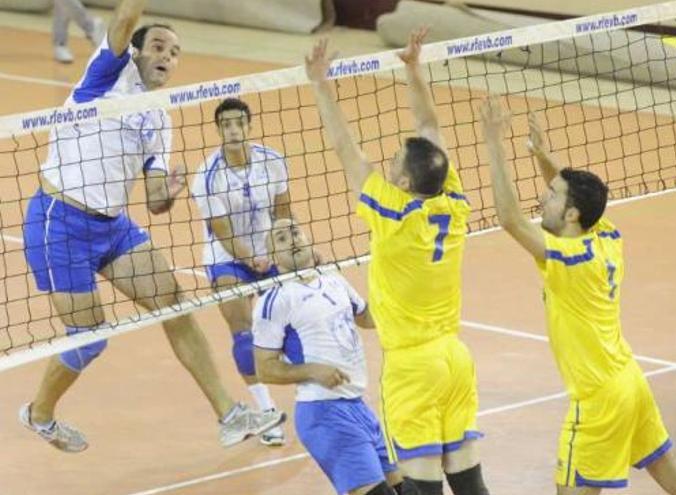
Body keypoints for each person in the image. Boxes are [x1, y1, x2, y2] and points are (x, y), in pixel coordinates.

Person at [19, 0, 284, 453]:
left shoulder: (160, 116)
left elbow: (155, 200)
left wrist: (172, 189)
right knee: (90, 341)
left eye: (176, 51)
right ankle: (39, 414)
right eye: (158, 46)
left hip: (114, 227)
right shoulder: (106, 76)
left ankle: (229, 413)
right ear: (135, 52)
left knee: (174, 303)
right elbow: (125, 18)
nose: (167, 56)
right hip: (58, 224)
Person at [480, 98, 676, 494]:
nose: (541, 200)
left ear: (571, 215)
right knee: (668, 470)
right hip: (628, 381)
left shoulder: (568, 258)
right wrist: (542, 156)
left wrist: (493, 141)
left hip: (598, 399)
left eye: (550, 196)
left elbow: (509, 219)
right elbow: (574, 197)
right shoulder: (605, 235)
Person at [305, 29, 490, 495]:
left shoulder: (395, 213)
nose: (386, 164)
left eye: (393, 162)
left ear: (405, 180)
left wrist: (320, 85)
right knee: (469, 484)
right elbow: (433, 135)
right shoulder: (454, 201)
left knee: (421, 488)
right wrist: (412, 69)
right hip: (454, 358)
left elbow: (346, 152)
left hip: (413, 367)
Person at [253, 218, 419, 495]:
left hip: (358, 406)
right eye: (281, 239)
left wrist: (402, 296)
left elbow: (365, 316)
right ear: (272, 256)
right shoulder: (274, 301)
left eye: (295, 232)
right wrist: (313, 370)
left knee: (409, 490)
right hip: (323, 413)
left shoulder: (332, 278)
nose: (292, 239)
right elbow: (265, 369)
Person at [191, 97, 290, 446]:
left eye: (239, 123)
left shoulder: (273, 161)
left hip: (269, 251)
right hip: (227, 258)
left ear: (249, 126)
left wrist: (279, 251)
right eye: (226, 125)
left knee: (290, 324)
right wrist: (251, 259)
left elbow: (284, 212)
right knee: (243, 334)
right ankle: (266, 414)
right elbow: (222, 231)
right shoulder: (206, 176)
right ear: (218, 130)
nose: (233, 130)